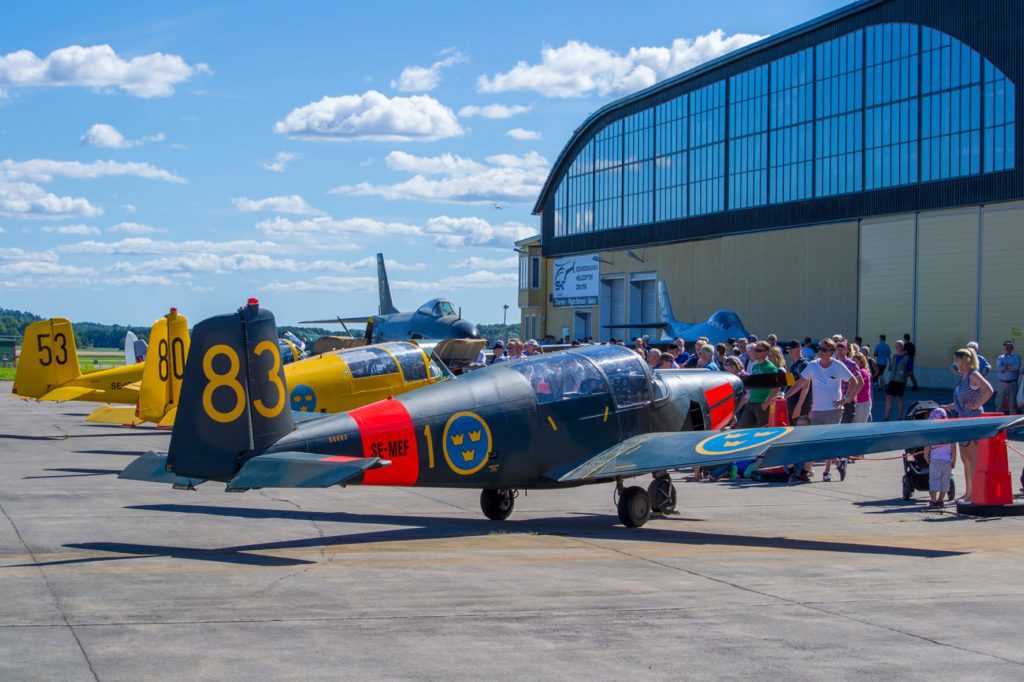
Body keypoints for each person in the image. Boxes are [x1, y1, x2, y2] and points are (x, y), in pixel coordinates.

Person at [785, 337, 856, 481]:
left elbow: (853, 382)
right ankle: (836, 462)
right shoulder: (813, 365)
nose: (821, 352)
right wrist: (785, 396)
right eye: (819, 349)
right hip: (816, 409)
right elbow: (800, 382)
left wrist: (846, 398)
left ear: (831, 352)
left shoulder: (838, 366)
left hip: (834, 410)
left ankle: (810, 472)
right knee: (814, 441)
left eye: (824, 349)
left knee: (825, 441)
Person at [944, 348, 994, 503]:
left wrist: (976, 405)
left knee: (973, 460)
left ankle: (974, 494)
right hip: (962, 420)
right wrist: (948, 407)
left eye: (960, 361)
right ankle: (968, 492)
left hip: (972, 420)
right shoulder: (963, 376)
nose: (957, 365)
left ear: (967, 360)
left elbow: (989, 390)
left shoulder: (974, 374)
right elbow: (961, 401)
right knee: (966, 461)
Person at [736, 341, 779, 428]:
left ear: (767, 352)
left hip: (762, 404)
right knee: (741, 428)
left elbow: (776, 388)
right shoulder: (755, 366)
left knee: (761, 432)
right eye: (756, 350)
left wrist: (766, 404)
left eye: (759, 350)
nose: (756, 352)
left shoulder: (770, 368)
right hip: (751, 403)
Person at [923, 407, 956, 508]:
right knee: (945, 482)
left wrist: (926, 457)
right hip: (947, 461)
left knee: (934, 480)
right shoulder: (950, 433)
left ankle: (933, 500)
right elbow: (954, 448)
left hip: (935, 461)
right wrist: (953, 460)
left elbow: (927, 446)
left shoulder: (932, 433)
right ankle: (940, 500)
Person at [834, 342, 864, 423]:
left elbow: (860, 382)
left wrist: (851, 397)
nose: (839, 352)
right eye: (838, 350)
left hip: (847, 401)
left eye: (841, 350)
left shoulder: (851, 364)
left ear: (846, 350)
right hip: (836, 400)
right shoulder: (834, 364)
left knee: (846, 425)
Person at [883, 340, 909, 420]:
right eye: (896, 346)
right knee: (888, 397)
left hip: (900, 381)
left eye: (897, 346)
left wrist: (904, 376)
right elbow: (892, 367)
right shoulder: (894, 356)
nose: (896, 347)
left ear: (902, 347)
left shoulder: (907, 358)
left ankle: (899, 416)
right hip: (892, 380)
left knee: (899, 398)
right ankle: (886, 416)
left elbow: (910, 371)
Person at [994, 340, 1021, 414]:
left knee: (1013, 404)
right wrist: (1010, 367)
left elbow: (1016, 367)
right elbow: (998, 368)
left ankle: (1012, 420)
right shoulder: (1000, 357)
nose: (1007, 347)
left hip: (1013, 383)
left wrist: (1005, 367)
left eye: (1009, 346)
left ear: (1012, 347)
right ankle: (997, 419)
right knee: (999, 403)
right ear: (1004, 347)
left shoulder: (1017, 357)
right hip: (1002, 383)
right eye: (1006, 346)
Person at [852, 353, 873, 422]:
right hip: (858, 402)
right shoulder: (856, 371)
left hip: (862, 403)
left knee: (859, 426)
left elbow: (858, 383)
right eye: (853, 361)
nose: (854, 363)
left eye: (856, 361)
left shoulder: (862, 372)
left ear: (861, 363)